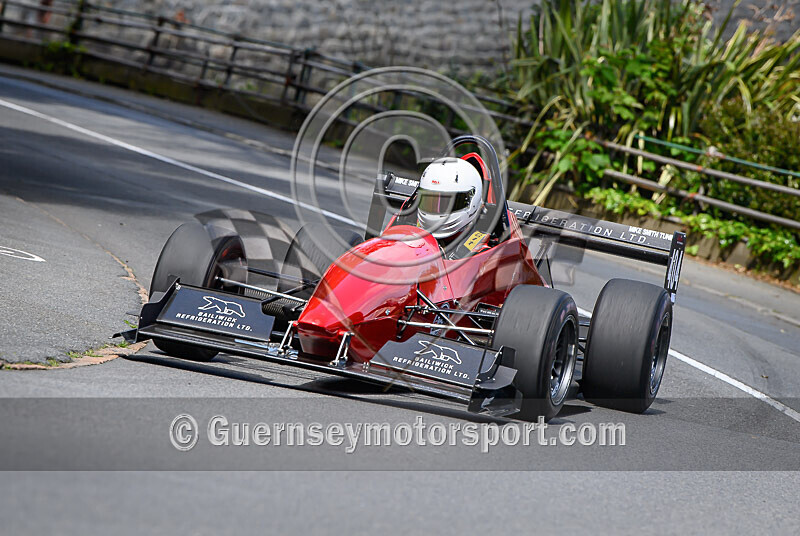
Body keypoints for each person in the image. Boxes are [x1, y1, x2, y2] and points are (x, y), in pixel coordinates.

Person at [416, 157, 483, 247]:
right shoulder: (411, 219)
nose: (435, 211)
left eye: (445, 204)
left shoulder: (479, 248)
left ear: (471, 201)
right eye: (429, 202)